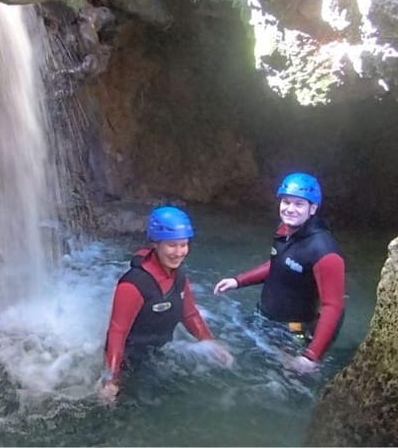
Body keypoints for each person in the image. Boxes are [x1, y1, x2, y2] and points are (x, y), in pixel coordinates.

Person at [213, 172, 345, 374]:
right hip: (263, 319)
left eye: (299, 204)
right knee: (221, 358)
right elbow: (279, 264)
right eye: (286, 202)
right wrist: (238, 281)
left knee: (268, 377)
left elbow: (334, 307)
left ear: (313, 208)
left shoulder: (324, 251)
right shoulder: (285, 230)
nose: (290, 209)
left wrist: (311, 356)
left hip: (291, 333)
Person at [100, 206, 233, 402]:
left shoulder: (178, 275)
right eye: (172, 245)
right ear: (156, 244)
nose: (179, 253)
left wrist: (210, 344)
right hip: (129, 362)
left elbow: (189, 314)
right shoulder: (133, 284)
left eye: (183, 245)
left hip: (161, 354)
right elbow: (117, 333)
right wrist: (112, 379)